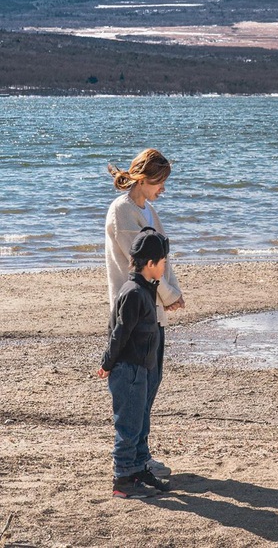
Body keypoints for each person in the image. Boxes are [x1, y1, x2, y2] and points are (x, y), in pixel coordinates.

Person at [105, 148, 184, 479]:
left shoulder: (148, 209)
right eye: (159, 183)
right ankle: (130, 464)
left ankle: (141, 455)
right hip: (135, 315)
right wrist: (168, 296)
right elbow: (143, 266)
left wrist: (173, 295)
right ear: (143, 178)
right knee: (136, 391)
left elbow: (163, 259)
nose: (162, 190)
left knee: (149, 387)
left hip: (155, 314)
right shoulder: (122, 212)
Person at [98, 228, 171, 498]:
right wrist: (107, 363)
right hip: (127, 369)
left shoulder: (145, 289)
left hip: (140, 367)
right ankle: (122, 481)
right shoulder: (132, 292)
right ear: (150, 264)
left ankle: (137, 468)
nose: (165, 266)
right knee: (128, 425)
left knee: (139, 421)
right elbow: (119, 333)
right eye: (163, 262)